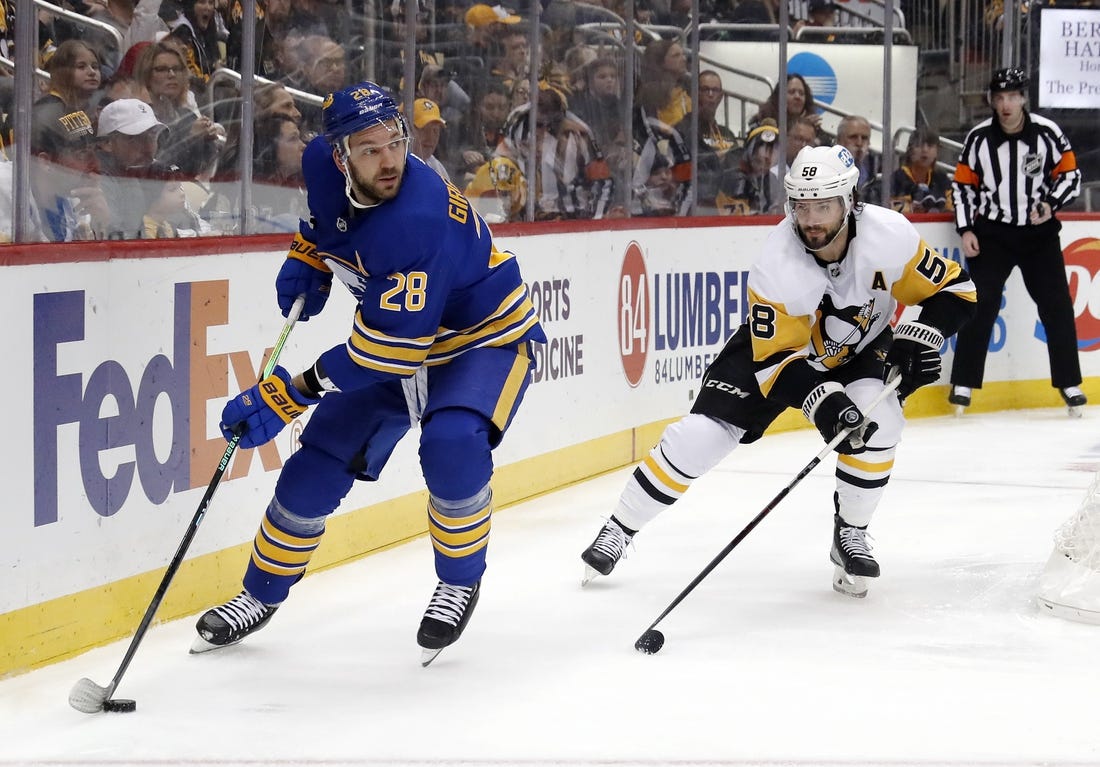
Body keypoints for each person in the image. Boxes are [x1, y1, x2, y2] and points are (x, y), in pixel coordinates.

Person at [192, 81, 547, 664]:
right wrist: (310, 256)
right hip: (400, 337)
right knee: (316, 464)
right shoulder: (319, 164)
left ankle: (458, 582)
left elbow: (387, 356)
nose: (390, 160)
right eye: (369, 149)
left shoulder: (415, 220)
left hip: (480, 339)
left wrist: (291, 392)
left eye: (395, 142)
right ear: (339, 155)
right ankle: (259, 594)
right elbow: (328, 222)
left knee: (452, 444)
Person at [580, 144, 977, 598]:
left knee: (880, 420)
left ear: (849, 201)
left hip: (860, 348)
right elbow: (775, 364)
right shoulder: (777, 263)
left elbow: (956, 292)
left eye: (823, 205)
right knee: (700, 435)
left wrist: (914, 338)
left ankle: (850, 531)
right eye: (801, 206)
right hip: (780, 355)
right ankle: (619, 527)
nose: (811, 219)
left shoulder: (890, 237)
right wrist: (827, 405)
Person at [948, 67, 1086, 416]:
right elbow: (963, 187)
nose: (1005, 104)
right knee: (979, 305)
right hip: (993, 232)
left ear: (1023, 98)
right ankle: (963, 383)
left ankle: (1069, 383)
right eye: (999, 98)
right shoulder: (979, 139)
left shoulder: (1048, 133)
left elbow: (1070, 175)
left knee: (1056, 306)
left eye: (1012, 96)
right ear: (992, 101)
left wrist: (1050, 203)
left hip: (1038, 234)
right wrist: (966, 229)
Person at [715, 118, 781, 215]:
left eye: (774, 150)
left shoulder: (773, 180)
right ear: (750, 149)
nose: (767, 156)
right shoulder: (733, 178)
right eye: (761, 147)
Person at [890, 127, 953, 214]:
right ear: (910, 150)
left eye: (930, 146)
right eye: (919, 145)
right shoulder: (897, 178)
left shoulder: (941, 178)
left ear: (937, 151)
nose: (925, 150)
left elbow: (952, 208)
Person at [836, 114, 882, 205]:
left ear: (869, 142)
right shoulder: (827, 168)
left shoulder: (877, 168)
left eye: (864, 138)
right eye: (853, 137)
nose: (859, 143)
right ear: (839, 140)